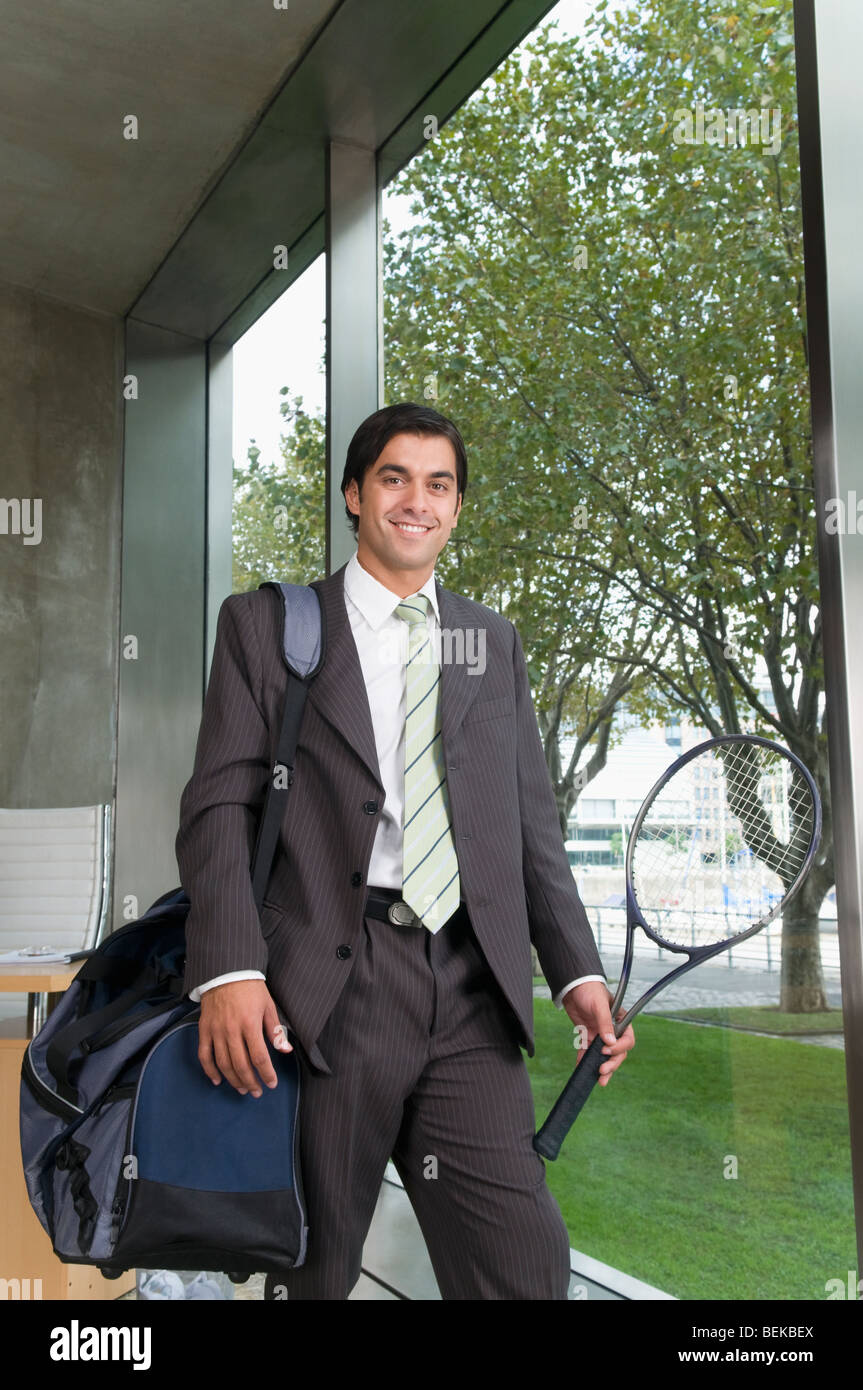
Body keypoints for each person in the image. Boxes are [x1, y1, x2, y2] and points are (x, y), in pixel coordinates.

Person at [175, 401, 635, 1300]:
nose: (416, 500)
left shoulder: (488, 641)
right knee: (310, 1271)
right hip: (327, 989)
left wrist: (576, 973)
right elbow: (217, 806)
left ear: (456, 507)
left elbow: (526, 828)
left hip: (468, 988)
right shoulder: (269, 627)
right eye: (394, 477)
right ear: (354, 494)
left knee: (522, 1265)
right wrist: (228, 969)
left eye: (439, 483)